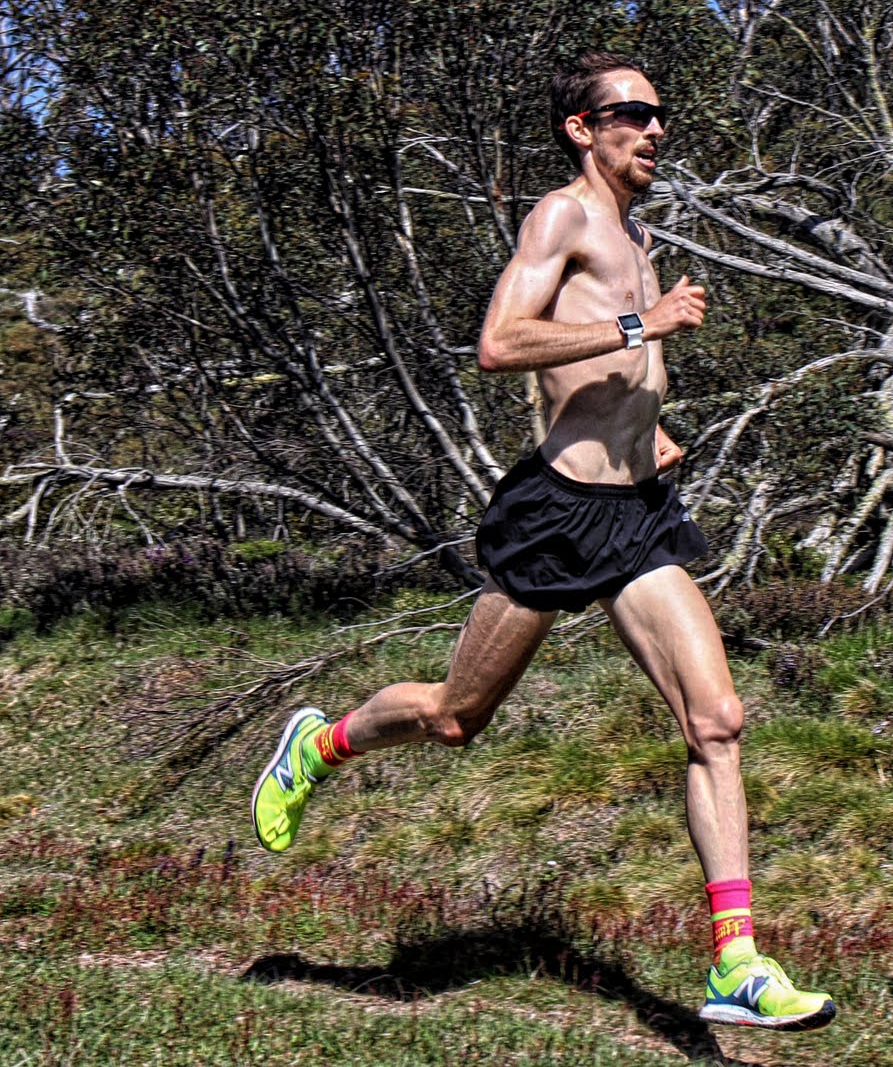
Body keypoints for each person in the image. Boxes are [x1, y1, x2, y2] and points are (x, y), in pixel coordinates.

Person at [249, 51, 835, 1033]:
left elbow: (603, 371)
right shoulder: (561, 216)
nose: (653, 129)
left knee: (717, 719)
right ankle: (321, 743)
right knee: (452, 717)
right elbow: (500, 343)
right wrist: (638, 322)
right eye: (631, 112)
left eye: (660, 114)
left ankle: (735, 960)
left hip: (636, 512)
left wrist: (642, 424)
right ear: (580, 126)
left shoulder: (634, 230)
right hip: (558, 514)